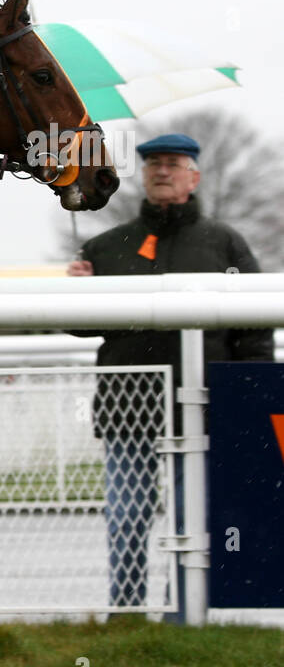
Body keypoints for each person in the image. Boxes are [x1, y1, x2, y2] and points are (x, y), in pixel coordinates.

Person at [67, 133, 274, 613]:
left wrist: (247, 393)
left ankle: (182, 614)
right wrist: (78, 291)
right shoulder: (105, 245)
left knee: (190, 520)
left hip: (200, 405)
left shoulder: (225, 243)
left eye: (173, 163)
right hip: (128, 406)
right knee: (126, 518)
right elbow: (82, 326)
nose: (162, 170)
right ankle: (128, 612)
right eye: (154, 163)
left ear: (194, 175)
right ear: (143, 174)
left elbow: (256, 326)